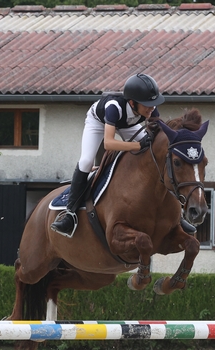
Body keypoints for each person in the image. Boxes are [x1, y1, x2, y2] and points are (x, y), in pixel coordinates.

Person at [51, 73, 171, 238]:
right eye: (147, 105)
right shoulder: (114, 107)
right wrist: (137, 145)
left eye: (153, 104)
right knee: (86, 161)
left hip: (127, 125)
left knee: (149, 151)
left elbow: (159, 132)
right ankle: (70, 214)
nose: (151, 108)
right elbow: (108, 143)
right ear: (132, 103)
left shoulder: (149, 108)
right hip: (99, 123)